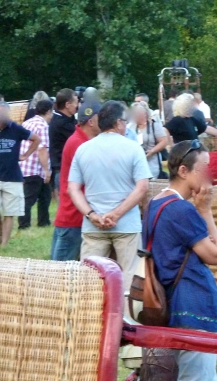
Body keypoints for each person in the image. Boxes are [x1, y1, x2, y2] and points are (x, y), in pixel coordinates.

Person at [145, 140, 217, 381]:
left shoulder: (156, 204)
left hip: (176, 303)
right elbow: (216, 254)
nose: (208, 177)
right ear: (183, 170)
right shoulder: (182, 210)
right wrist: (205, 211)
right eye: (203, 170)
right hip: (193, 305)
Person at [67, 101, 152, 291]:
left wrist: (91, 215)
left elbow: (73, 189)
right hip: (127, 224)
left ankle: (90, 318)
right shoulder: (133, 148)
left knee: (89, 280)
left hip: (93, 225)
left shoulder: (83, 149)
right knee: (130, 277)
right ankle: (128, 318)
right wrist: (117, 214)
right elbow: (142, 187)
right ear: (119, 123)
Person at [0, 102, 40, 248]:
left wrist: (25, 155)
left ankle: (3, 245)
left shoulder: (16, 129)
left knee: (10, 213)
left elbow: (36, 139)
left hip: (13, 178)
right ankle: (1, 227)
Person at [51, 101, 102, 261]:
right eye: (102, 118)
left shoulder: (80, 141)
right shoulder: (79, 144)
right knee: (60, 272)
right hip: (73, 215)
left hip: (72, 214)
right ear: (91, 122)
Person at [18, 99, 53, 229]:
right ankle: (24, 224)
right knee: (29, 199)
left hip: (24, 166)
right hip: (35, 168)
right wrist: (46, 170)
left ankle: (44, 221)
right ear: (48, 112)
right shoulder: (42, 126)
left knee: (45, 195)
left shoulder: (27, 123)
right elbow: (42, 148)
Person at [49, 88, 79, 197]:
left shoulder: (66, 120)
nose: (78, 106)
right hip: (64, 171)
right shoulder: (61, 123)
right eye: (76, 102)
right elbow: (80, 136)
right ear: (67, 104)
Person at [128, 101, 168, 179]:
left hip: (152, 164)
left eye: (137, 114)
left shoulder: (154, 125)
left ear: (144, 114)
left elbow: (164, 141)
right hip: (135, 163)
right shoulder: (131, 126)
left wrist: (152, 151)